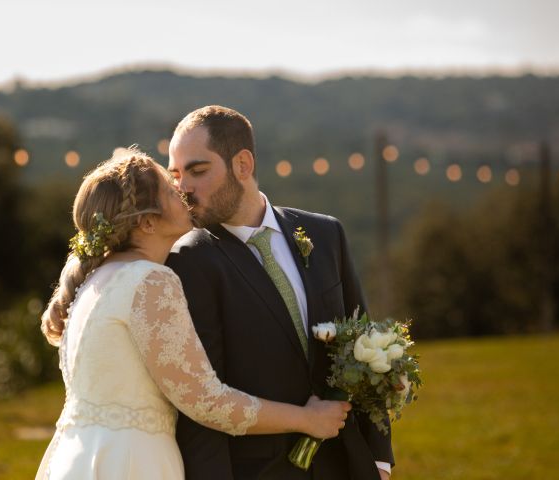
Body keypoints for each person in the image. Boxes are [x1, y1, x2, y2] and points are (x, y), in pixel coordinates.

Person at [35, 147, 351, 480]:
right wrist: (307, 419)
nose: (184, 191)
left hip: (80, 459)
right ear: (146, 221)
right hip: (133, 463)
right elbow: (206, 401)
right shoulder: (150, 280)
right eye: (171, 191)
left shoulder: (94, 279)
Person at [167, 106, 394, 480]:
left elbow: (368, 351)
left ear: (243, 164)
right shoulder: (190, 260)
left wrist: (380, 461)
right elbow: (201, 404)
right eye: (176, 175)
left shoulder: (326, 234)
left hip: (347, 466)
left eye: (197, 170)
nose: (183, 188)